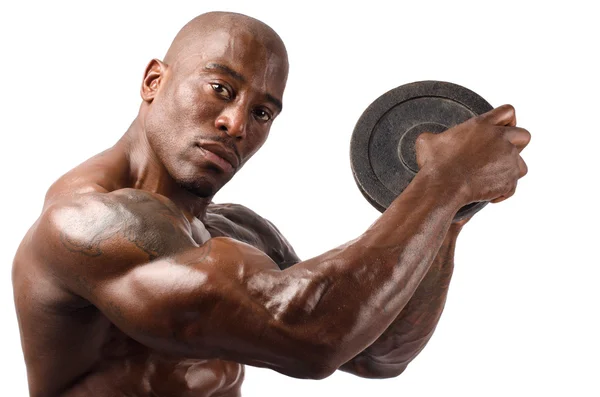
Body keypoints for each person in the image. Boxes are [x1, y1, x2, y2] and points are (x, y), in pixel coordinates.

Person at [12, 10, 530, 397]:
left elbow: (378, 353)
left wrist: (447, 214)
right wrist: (442, 184)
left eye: (262, 113)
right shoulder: (86, 227)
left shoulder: (236, 232)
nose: (236, 124)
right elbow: (309, 335)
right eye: (220, 88)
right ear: (154, 81)